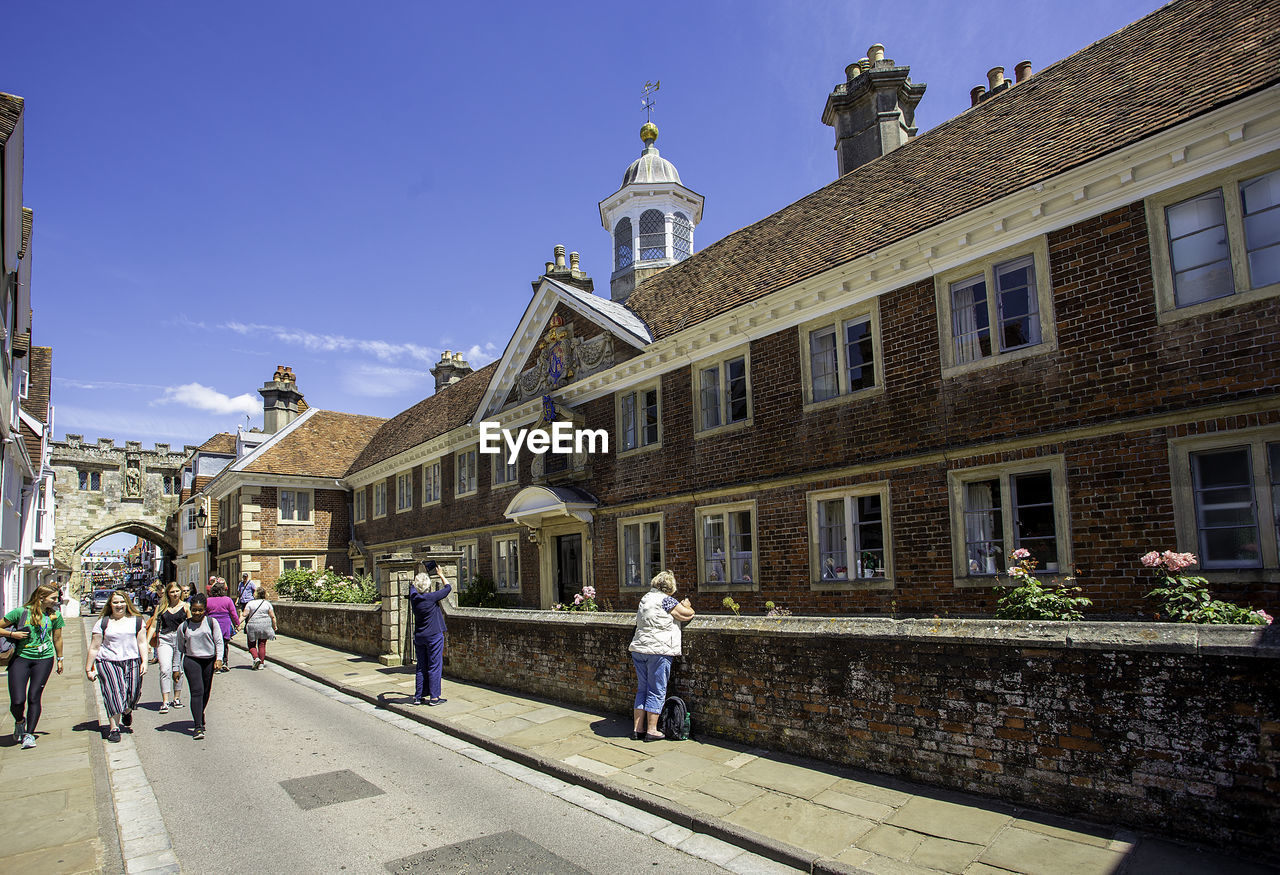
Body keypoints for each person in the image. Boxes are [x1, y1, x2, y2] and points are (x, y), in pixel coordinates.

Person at [629, 570, 695, 742]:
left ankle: (638, 728)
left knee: (642, 689)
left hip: (639, 648)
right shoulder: (666, 599)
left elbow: (673, 615)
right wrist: (687, 605)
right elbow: (687, 615)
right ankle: (652, 730)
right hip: (658, 650)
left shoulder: (646, 598)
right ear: (669, 587)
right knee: (656, 690)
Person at [2, 584, 65, 749]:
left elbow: (57, 638)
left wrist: (60, 658)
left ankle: (29, 734)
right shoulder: (21, 612)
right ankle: (19, 721)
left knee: (34, 697)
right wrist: (12, 634)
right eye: (53, 598)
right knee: (17, 700)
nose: (56, 601)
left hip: (44, 660)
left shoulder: (54, 616)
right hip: (21, 659)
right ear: (41, 597)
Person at [85, 591, 148, 743]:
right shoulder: (103, 623)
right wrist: (89, 668)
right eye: (115, 602)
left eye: (121, 602)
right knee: (113, 692)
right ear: (110, 605)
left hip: (132, 660)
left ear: (127, 603)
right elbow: (95, 646)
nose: (119, 605)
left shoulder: (137, 621)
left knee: (133, 693)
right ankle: (114, 728)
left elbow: (142, 642)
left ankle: (127, 710)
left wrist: (144, 661)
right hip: (108, 661)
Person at [173, 593, 223, 740]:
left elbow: (219, 642)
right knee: (197, 691)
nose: (197, 613)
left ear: (205, 609)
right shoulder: (184, 626)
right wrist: (176, 668)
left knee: (206, 691)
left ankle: (199, 712)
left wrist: (219, 659)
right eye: (194, 610)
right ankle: (198, 726)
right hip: (191, 660)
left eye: (200, 610)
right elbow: (179, 648)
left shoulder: (211, 623)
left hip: (208, 660)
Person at [406, 561, 451, 706]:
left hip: (419, 636)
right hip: (434, 636)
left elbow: (413, 586)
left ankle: (418, 697)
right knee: (434, 666)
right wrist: (441, 574)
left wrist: (420, 573)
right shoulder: (431, 597)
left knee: (421, 666)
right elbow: (448, 587)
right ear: (428, 586)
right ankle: (434, 697)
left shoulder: (414, 597)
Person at [152, 582, 190, 713]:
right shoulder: (161, 607)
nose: (175, 594)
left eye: (177, 591)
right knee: (165, 668)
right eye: (172, 592)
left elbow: (191, 626)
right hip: (165, 638)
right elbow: (153, 626)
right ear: (167, 593)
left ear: (181, 592)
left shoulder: (186, 607)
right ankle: (165, 700)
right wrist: (146, 644)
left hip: (180, 640)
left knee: (178, 669)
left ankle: (177, 698)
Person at [239, 584, 277, 669]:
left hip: (253, 625)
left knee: (251, 645)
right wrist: (274, 626)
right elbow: (272, 616)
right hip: (265, 625)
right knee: (262, 644)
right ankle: (261, 664)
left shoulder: (250, 603)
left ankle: (256, 658)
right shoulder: (267, 604)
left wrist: (237, 623)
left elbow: (244, 615)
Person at [204, 579, 239, 672]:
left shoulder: (208, 601)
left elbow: (204, 613)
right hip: (225, 623)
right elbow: (233, 613)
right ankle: (224, 661)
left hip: (212, 623)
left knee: (214, 644)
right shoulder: (228, 600)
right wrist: (237, 624)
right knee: (224, 643)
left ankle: (215, 662)